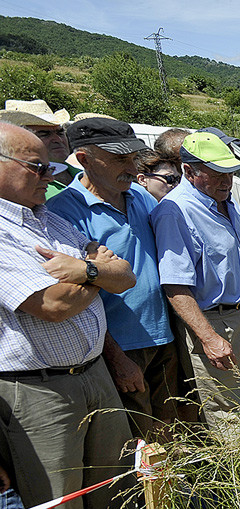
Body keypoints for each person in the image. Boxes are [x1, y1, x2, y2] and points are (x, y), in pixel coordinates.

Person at [0, 121, 141, 509]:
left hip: (91, 369)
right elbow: (51, 305)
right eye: (37, 166)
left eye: (51, 166)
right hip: (36, 384)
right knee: (56, 485)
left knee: (109, 468)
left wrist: (83, 270)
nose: (48, 175)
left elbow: (124, 274)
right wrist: (97, 273)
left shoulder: (52, 222)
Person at [46, 117, 181, 442]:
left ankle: (172, 493)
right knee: (136, 443)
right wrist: (116, 358)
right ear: (84, 159)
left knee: (170, 432)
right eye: (119, 158)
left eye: (132, 156)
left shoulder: (140, 197)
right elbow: (75, 296)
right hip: (119, 348)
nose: (131, 166)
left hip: (162, 337)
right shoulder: (63, 212)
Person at [152, 132, 240, 435]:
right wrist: (208, 338)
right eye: (217, 175)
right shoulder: (175, 211)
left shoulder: (226, 199)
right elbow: (175, 285)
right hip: (214, 320)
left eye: (230, 173)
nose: (227, 181)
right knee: (226, 409)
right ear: (189, 171)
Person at [0, 100, 76, 199]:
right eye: (44, 134)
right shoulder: (20, 187)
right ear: (18, 139)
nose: (58, 139)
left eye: (60, 132)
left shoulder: (85, 173)